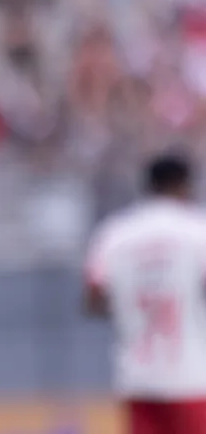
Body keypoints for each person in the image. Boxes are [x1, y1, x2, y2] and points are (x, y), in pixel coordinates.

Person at [84, 153, 206, 434]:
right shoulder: (197, 230)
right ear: (184, 185)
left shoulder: (115, 233)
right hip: (192, 377)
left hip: (137, 376)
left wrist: (133, 303)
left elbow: (93, 301)